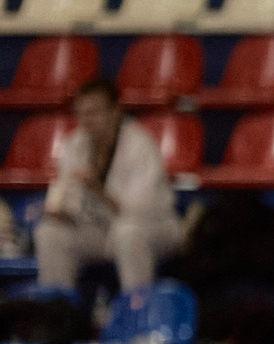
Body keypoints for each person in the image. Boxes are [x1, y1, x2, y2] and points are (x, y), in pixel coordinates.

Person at [37, 80, 181, 296]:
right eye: (81, 113)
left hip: (154, 227)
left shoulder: (140, 145)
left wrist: (99, 192)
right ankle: (57, 314)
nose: (86, 120)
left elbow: (139, 210)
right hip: (101, 230)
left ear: (115, 111)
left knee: (127, 232)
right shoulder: (74, 144)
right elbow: (69, 200)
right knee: (49, 233)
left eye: (94, 112)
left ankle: (135, 311)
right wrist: (61, 213)